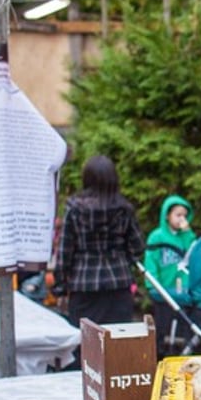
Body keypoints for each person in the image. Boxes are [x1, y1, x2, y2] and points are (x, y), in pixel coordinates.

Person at [53, 155, 145, 364]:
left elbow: (65, 250)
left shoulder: (75, 209)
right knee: (117, 345)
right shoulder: (124, 209)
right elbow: (137, 245)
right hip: (118, 284)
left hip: (84, 287)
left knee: (85, 346)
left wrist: (60, 284)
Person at [143, 195, 196, 303]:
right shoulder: (156, 236)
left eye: (185, 216)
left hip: (184, 286)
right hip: (163, 287)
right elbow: (151, 260)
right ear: (167, 215)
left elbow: (192, 252)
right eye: (178, 215)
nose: (182, 219)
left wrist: (187, 233)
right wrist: (153, 284)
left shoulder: (185, 235)